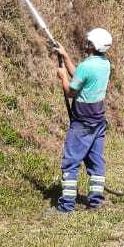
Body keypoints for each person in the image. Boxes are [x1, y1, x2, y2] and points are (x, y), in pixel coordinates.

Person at [51, 28, 112, 213]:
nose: (85, 44)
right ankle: (96, 201)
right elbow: (80, 75)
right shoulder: (105, 64)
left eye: (88, 42)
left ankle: (66, 207)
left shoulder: (87, 65)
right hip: (98, 120)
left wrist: (62, 77)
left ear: (92, 45)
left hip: (82, 122)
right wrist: (65, 55)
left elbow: (71, 91)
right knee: (95, 161)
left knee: (70, 162)